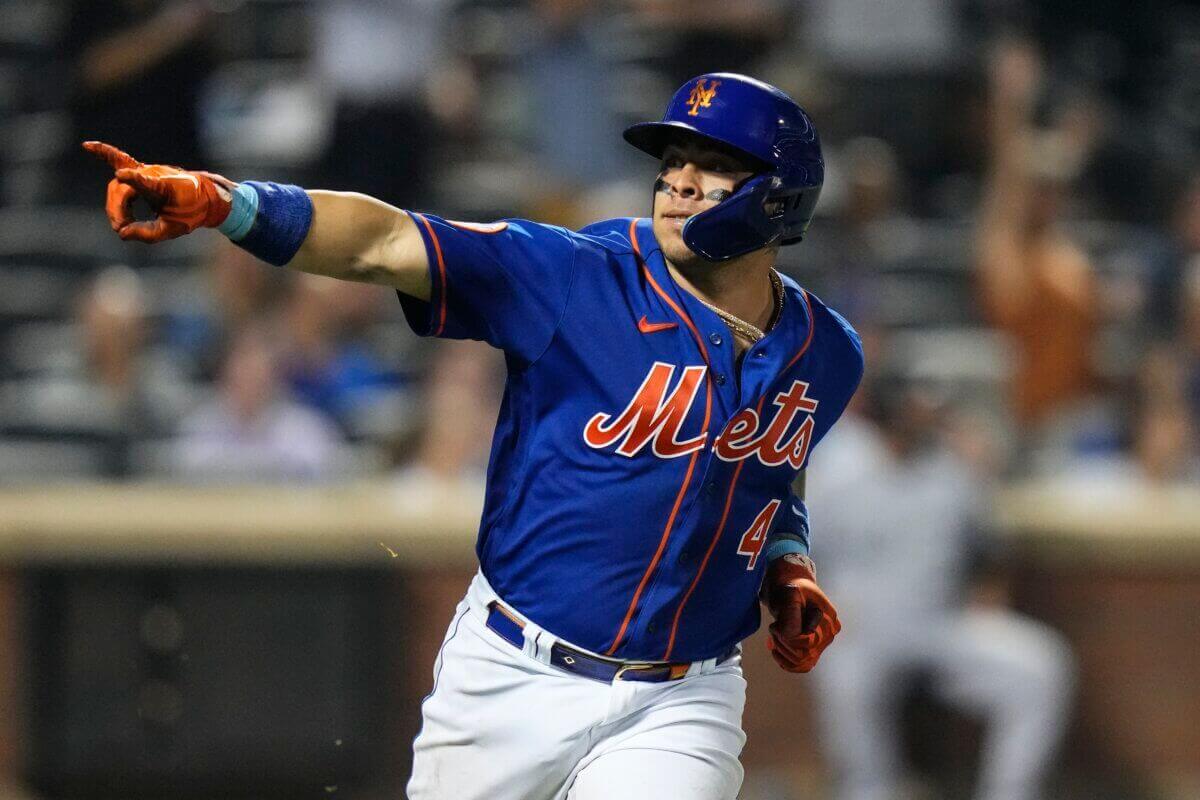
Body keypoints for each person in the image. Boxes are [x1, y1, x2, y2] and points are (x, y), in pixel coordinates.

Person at [83, 72, 864, 799]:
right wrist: (230, 204)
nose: (679, 183)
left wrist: (787, 559)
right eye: (672, 163)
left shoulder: (826, 353)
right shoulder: (574, 274)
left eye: (713, 166)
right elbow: (385, 241)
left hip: (682, 697)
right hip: (511, 672)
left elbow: (768, 468)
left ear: (779, 197)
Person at [807, 378, 1075, 800]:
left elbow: (988, 550)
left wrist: (988, 593)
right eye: (912, 412)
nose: (922, 420)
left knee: (1039, 669)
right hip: (862, 631)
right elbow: (798, 553)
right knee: (843, 676)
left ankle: (1009, 792)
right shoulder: (839, 472)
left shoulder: (953, 474)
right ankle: (869, 790)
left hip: (941, 625)